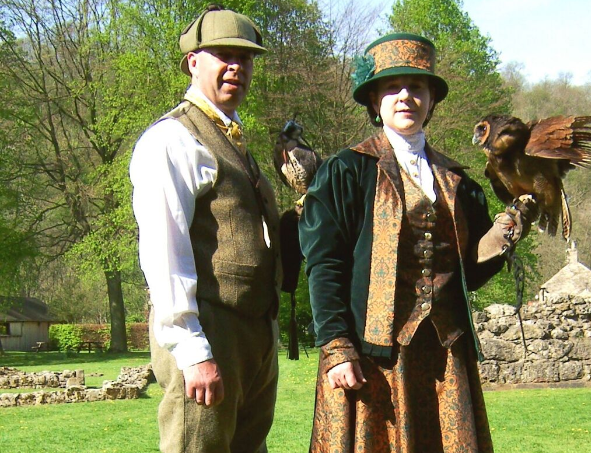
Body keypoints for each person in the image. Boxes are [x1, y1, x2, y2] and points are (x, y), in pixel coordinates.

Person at [299, 33, 536, 453]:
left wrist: (509, 231)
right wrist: (336, 345)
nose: (405, 95)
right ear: (374, 101)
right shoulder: (346, 171)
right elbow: (324, 262)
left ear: (431, 100)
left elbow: (472, 272)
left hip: (445, 356)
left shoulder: (459, 182)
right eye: (392, 87)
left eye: (417, 86)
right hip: (373, 356)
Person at [130, 5, 281, 453]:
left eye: (246, 57)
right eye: (222, 54)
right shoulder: (171, 139)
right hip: (208, 333)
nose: (236, 66)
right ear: (193, 62)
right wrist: (192, 348)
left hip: (253, 333)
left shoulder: (235, 140)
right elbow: (164, 248)